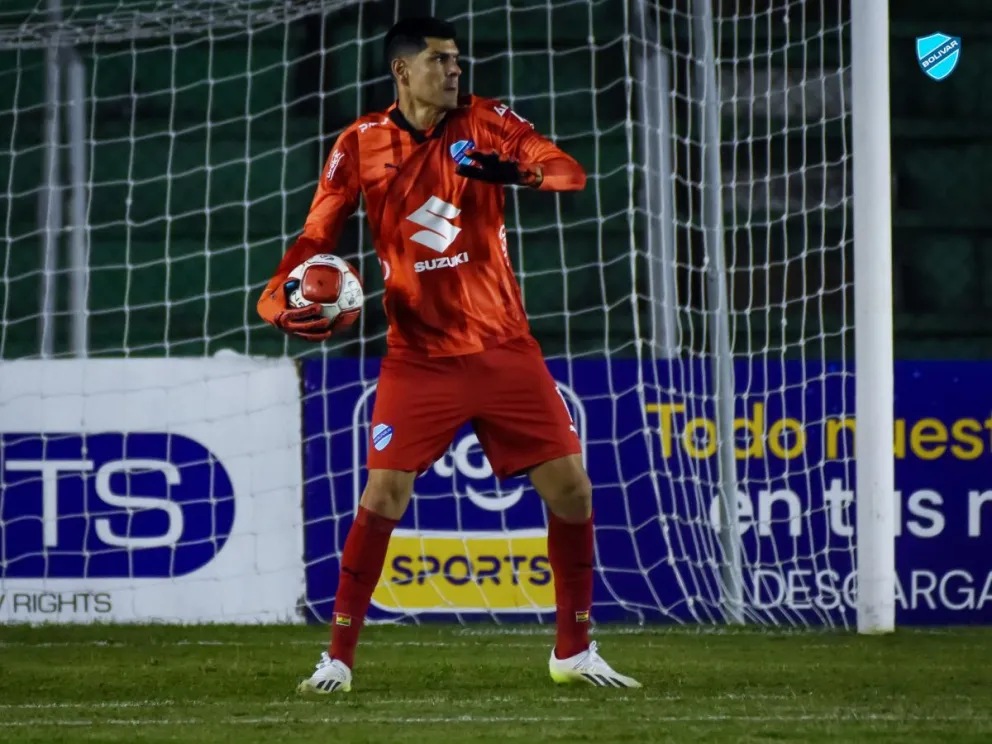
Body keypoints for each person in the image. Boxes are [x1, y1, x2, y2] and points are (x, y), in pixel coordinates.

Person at [257, 16, 641, 692]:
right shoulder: (360, 144)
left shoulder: (485, 121)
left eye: (458, 60)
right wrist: (274, 300)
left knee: (573, 490)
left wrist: (513, 172)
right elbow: (316, 232)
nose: (455, 71)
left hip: (504, 348)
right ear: (401, 70)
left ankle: (572, 652)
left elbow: (568, 172)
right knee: (384, 493)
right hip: (419, 357)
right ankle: (338, 659)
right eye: (439, 61)